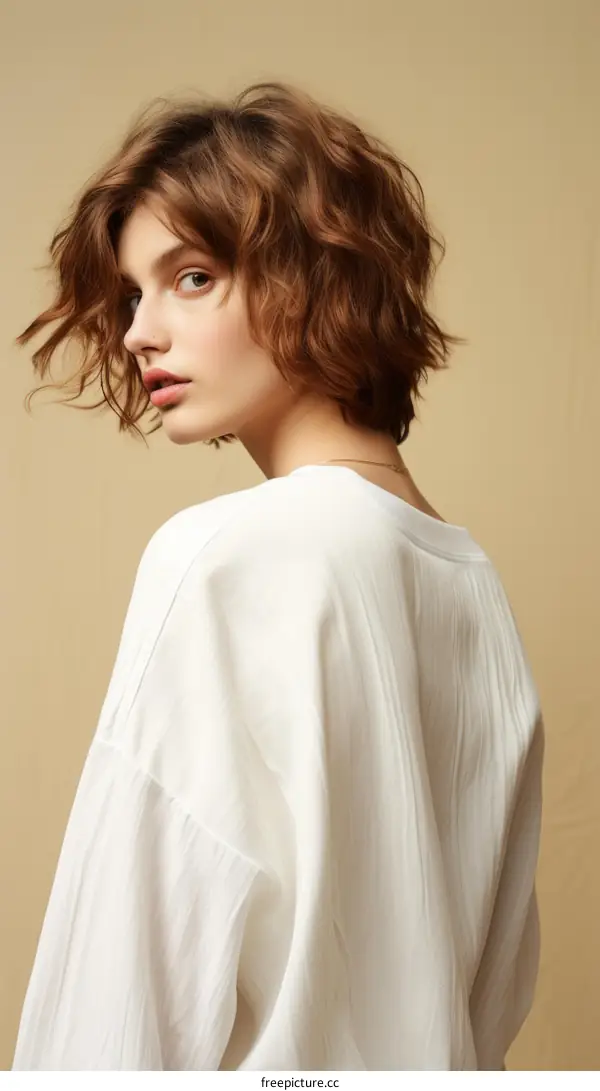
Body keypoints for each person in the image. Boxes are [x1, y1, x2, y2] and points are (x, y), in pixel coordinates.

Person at [12, 81, 544, 1071]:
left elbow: (122, 987)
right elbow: (493, 987)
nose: (138, 332)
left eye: (193, 277)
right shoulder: (472, 590)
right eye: (132, 294)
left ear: (314, 276)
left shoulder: (224, 557)